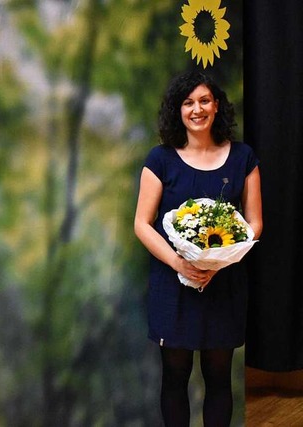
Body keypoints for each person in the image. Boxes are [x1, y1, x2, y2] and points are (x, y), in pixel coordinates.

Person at [134, 71, 262, 426]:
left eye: (204, 100)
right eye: (188, 103)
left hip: (225, 285)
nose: (197, 109)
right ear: (178, 110)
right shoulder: (160, 159)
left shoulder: (243, 157)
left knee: (219, 378)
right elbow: (142, 224)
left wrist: (218, 261)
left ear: (217, 106)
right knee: (175, 377)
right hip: (172, 285)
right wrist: (180, 263)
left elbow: (255, 223)